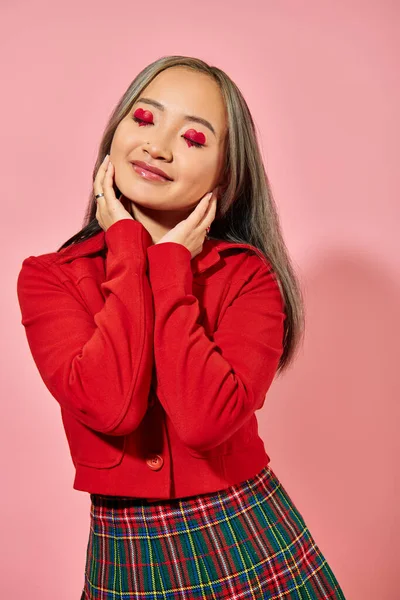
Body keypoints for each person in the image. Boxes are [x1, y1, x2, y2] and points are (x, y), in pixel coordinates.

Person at [17, 55, 346, 599]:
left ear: (227, 178)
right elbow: (111, 405)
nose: (158, 147)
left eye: (193, 138)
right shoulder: (50, 278)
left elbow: (202, 421)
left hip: (250, 540)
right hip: (125, 553)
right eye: (144, 121)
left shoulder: (247, 277)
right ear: (115, 135)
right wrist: (127, 249)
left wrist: (170, 267)